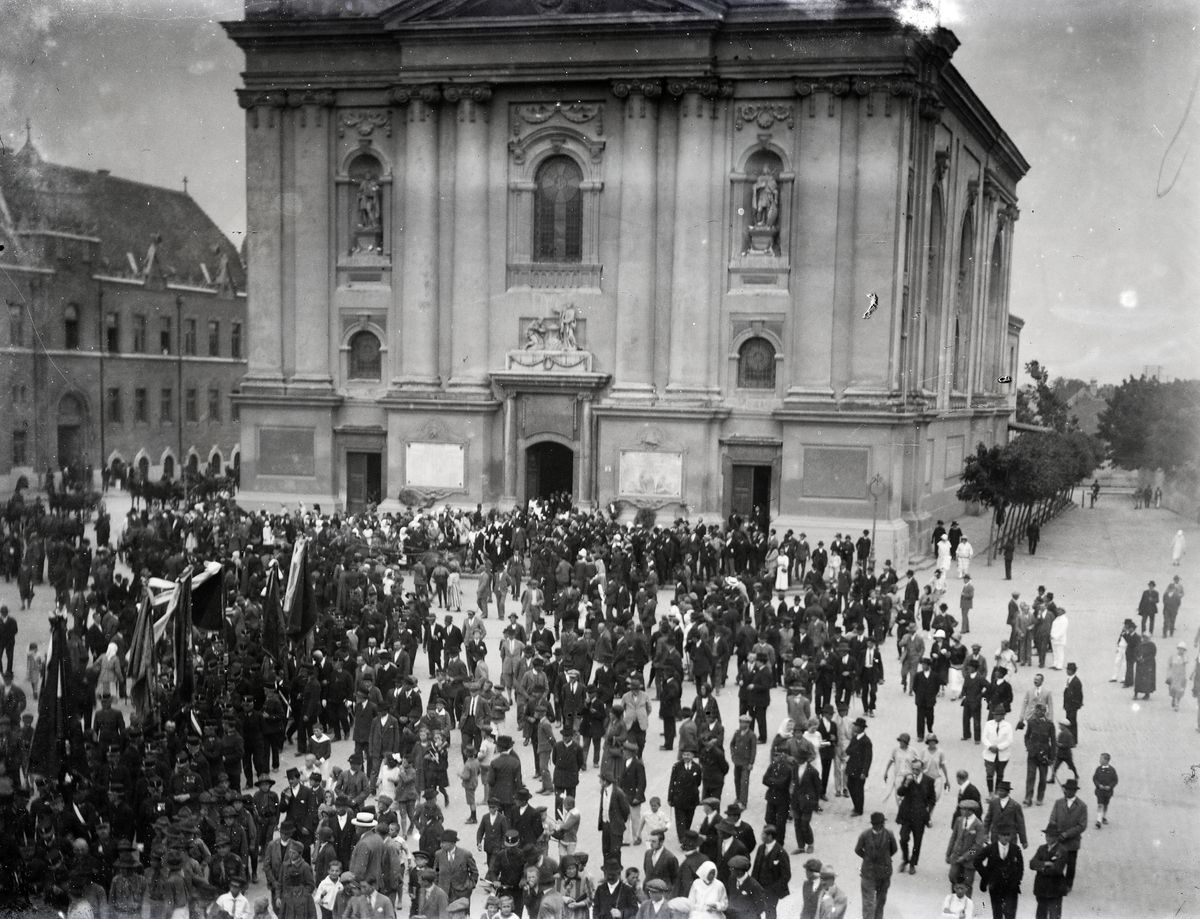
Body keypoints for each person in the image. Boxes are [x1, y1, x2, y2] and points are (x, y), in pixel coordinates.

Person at [1044, 778, 1087, 892]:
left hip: (1072, 841)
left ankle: (1068, 884)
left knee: (1071, 864)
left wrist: (1067, 834)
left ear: (1075, 791)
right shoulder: (1058, 803)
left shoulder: (1082, 806)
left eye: (1070, 790)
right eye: (1066, 789)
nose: (1067, 791)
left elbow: (1082, 825)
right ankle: (1055, 883)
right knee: (1056, 862)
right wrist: (1055, 832)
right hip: (1058, 839)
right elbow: (1052, 818)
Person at [895, 759, 935, 875]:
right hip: (907, 815)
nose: (914, 771)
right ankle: (905, 859)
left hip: (920, 816)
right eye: (913, 769)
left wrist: (928, 812)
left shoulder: (929, 781)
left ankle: (912, 863)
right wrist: (906, 783)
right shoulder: (908, 778)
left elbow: (932, 799)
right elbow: (900, 792)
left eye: (917, 769)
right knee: (903, 838)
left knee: (917, 842)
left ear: (922, 769)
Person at [854, 812, 896, 919]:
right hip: (869, 873)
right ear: (873, 824)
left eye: (881, 824)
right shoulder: (865, 835)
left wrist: (885, 858)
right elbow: (858, 849)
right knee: (868, 903)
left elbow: (894, 849)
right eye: (877, 824)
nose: (879, 826)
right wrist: (867, 857)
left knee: (880, 902)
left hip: (884, 874)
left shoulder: (889, 834)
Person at [976, 829, 1023, 919]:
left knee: (1010, 913)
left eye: (1008, 835)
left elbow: (1020, 867)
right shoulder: (987, 847)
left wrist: (1017, 880)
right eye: (1003, 834)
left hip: (1010, 886)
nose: (1006, 837)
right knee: (997, 913)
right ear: (998, 835)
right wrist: (987, 876)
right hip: (994, 885)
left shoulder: (1015, 849)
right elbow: (975, 853)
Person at [945, 799, 987, 896]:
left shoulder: (979, 825)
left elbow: (977, 846)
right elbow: (953, 838)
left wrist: (965, 857)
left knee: (968, 882)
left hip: (970, 860)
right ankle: (954, 899)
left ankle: (966, 904)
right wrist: (948, 854)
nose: (961, 811)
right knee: (953, 876)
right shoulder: (959, 820)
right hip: (956, 856)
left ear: (970, 811)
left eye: (963, 809)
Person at [1028, 828, 1069, 919]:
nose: (1047, 838)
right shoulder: (1041, 848)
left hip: (1055, 890)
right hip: (1041, 889)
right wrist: (1046, 864)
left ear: (1056, 837)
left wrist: (1040, 868)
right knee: (1040, 915)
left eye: (1050, 836)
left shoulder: (1062, 850)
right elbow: (1031, 863)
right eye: (1046, 835)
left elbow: (1057, 869)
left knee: (1054, 915)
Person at [845, 717, 872, 818]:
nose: (855, 727)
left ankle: (859, 809)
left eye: (857, 726)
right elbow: (848, 750)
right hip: (852, 767)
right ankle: (856, 805)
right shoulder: (854, 738)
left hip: (860, 770)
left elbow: (868, 758)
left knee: (859, 789)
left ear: (862, 728)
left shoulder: (866, 741)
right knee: (850, 786)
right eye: (855, 725)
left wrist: (864, 772)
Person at [1091, 753, 1118, 829]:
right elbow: (1094, 778)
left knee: (1105, 805)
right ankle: (1098, 821)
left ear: (1106, 760)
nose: (1100, 760)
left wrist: (1110, 786)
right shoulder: (1098, 769)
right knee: (1100, 804)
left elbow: (1115, 780)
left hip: (1108, 792)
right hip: (1100, 791)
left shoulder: (1112, 770)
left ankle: (1104, 817)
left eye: (1101, 759)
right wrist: (1098, 785)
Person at [1133, 631, 1157, 700]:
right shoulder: (1139, 644)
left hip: (1148, 664)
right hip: (1140, 664)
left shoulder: (1152, 645)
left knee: (1147, 679)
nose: (1144, 639)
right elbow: (1135, 652)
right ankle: (1136, 694)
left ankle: (1147, 694)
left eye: (1146, 637)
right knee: (1138, 679)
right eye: (1143, 637)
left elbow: (1153, 654)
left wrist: (1145, 659)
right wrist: (1137, 658)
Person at [1166, 642, 1189, 710]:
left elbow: (1185, 662)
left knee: (1180, 690)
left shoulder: (1185, 657)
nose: (1181, 651)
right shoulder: (1172, 656)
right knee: (1172, 689)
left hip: (1181, 676)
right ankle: (1173, 698)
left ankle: (1177, 703)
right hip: (1173, 675)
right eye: (1180, 649)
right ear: (1177, 649)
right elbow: (1169, 665)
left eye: (1183, 649)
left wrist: (1183, 656)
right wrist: (1168, 674)